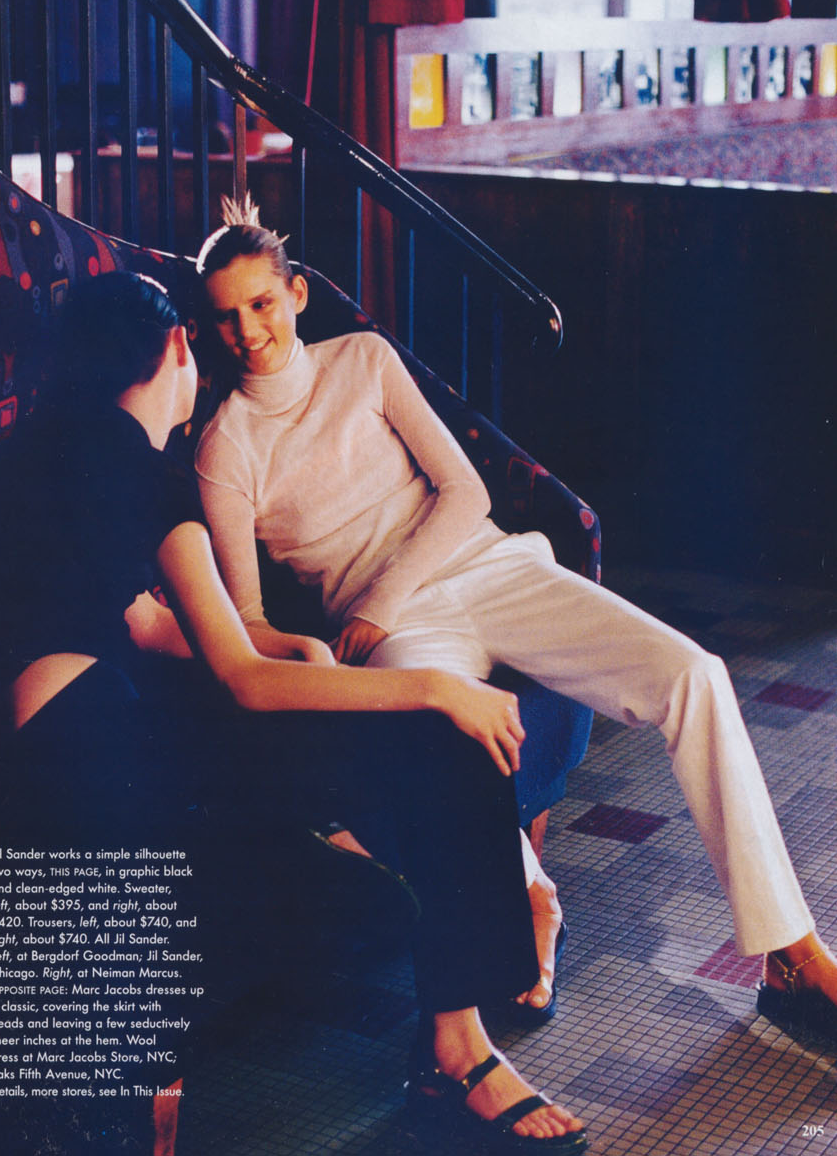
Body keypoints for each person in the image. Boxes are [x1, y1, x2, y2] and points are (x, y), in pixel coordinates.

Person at [0, 269, 587, 1153]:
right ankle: (460, 1049)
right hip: (92, 741)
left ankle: (417, 959)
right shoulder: (152, 471)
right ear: (178, 347)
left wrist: (288, 644)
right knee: (444, 734)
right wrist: (435, 684)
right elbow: (241, 682)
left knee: (370, 753)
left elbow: (139, 621)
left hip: (28, 736)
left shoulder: (40, 447)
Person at [193, 202, 837, 1048]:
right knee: (449, 744)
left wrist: (381, 595)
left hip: (491, 568)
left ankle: (793, 952)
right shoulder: (225, 446)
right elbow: (245, 618)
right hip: (394, 635)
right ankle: (535, 894)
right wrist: (324, 645)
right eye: (227, 315)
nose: (249, 331)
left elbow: (467, 491)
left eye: (262, 303)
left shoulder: (364, 360)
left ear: (297, 294)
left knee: (696, 674)